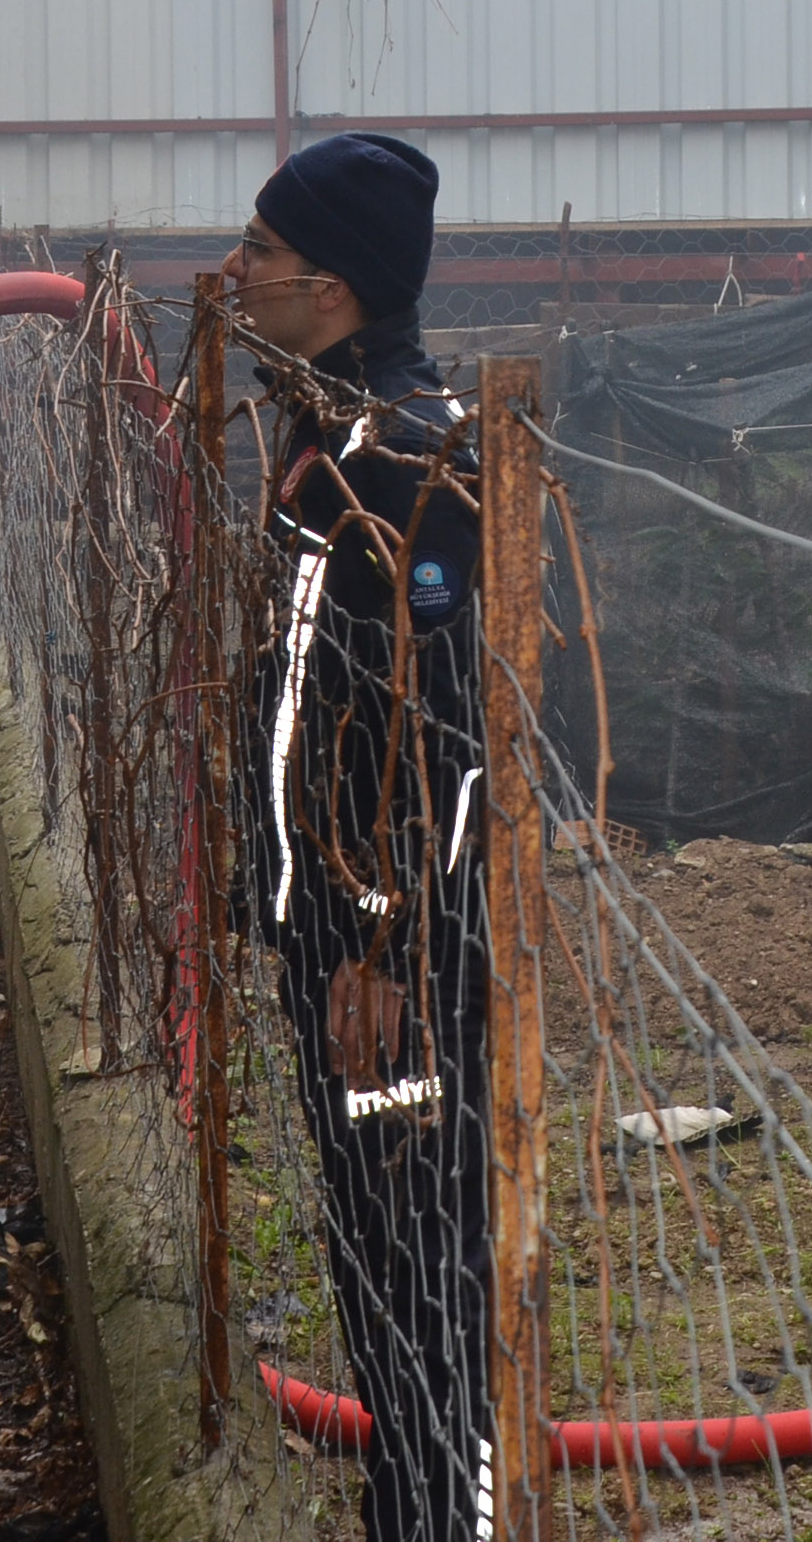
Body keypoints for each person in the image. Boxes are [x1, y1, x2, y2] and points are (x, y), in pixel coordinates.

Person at [220, 132, 496, 1542]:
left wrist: (387, 941)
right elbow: (311, 706)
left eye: (258, 254)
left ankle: (447, 1511)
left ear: (329, 288)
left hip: (395, 955)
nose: (235, 275)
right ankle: (410, 1499)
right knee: (377, 1254)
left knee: (427, 1261)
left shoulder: (404, 461)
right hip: (333, 925)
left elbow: (438, 738)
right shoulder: (329, 438)